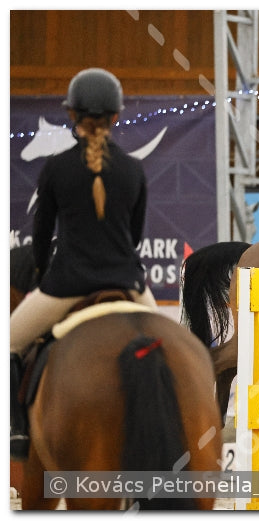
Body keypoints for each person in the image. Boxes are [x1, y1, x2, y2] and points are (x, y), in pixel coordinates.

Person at [9, 68, 157, 459]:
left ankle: (17, 433)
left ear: (71, 115)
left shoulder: (56, 168)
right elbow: (135, 237)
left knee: (7, 343)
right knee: (170, 349)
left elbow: (41, 237)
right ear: (117, 116)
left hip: (67, 285)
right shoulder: (133, 169)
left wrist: (41, 272)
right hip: (128, 283)